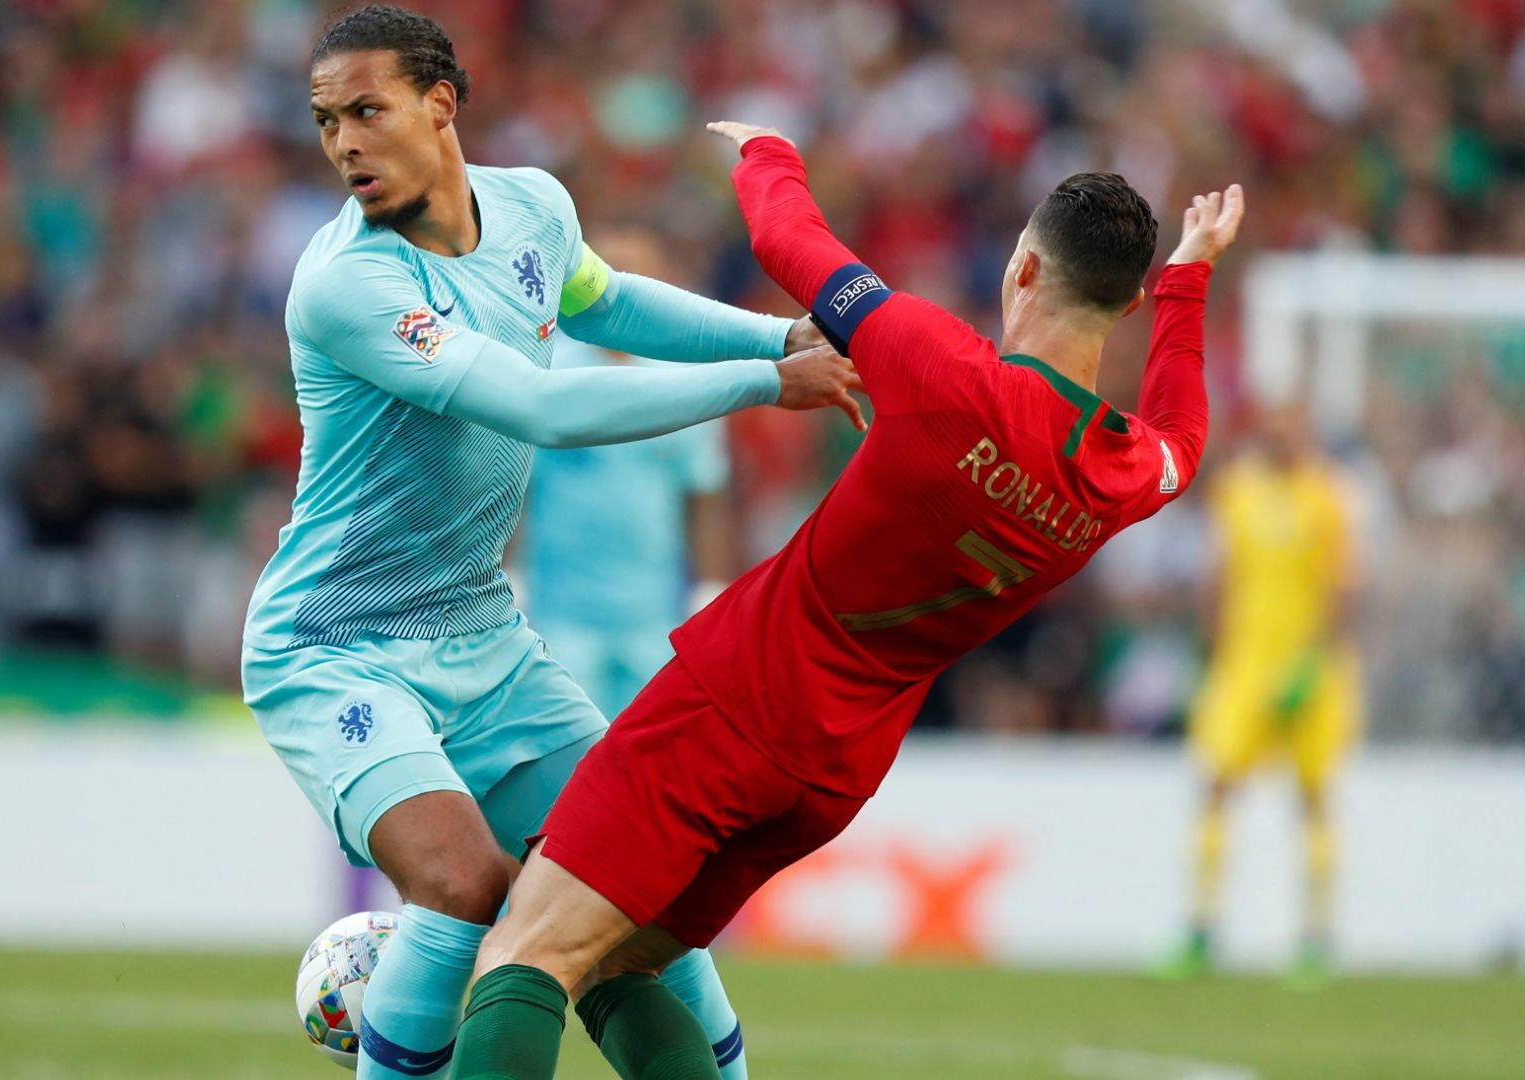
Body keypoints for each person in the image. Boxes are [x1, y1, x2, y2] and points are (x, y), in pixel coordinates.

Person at [447, 121, 1245, 1080]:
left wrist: (768, 151)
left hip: (734, 704)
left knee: (526, 954)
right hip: (836, 772)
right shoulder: (1122, 471)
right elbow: (1183, 435)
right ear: (1123, 307)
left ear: (1024, 270)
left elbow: (790, 242)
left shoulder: (941, 366)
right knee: (615, 967)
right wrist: (1191, 278)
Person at [242, 10, 861, 1080]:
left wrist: (779, 333)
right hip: (336, 647)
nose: (343, 142)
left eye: (366, 111)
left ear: (441, 103)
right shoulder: (350, 283)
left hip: (487, 637)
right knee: (465, 887)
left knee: (638, 894)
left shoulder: (534, 208)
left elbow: (607, 302)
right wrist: (768, 381)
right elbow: (540, 405)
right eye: (326, 120)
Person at [1160, 406, 1361, 987]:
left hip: (1310, 670)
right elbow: (1218, 575)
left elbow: (1341, 587)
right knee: (1217, 788)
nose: (1280, 437)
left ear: (1305, 434)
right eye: (1271, 428)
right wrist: (1209, 648)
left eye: (1289, 428)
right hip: (1244, 667)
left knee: (1315, 797)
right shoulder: (1238, 492)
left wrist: (1314, 660)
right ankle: (1200, 930)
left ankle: (1317, 941)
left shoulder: (1328, 498)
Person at [521, 229, 737, 719]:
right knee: (568, 757)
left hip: (653, 613)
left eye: (631, 275)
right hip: (559, 610)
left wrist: (711, 589)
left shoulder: (686, 378)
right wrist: (505, 577)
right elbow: (512, 485)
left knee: (645, 757)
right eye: (604, 274)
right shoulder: (546, 371)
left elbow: (705, 495)